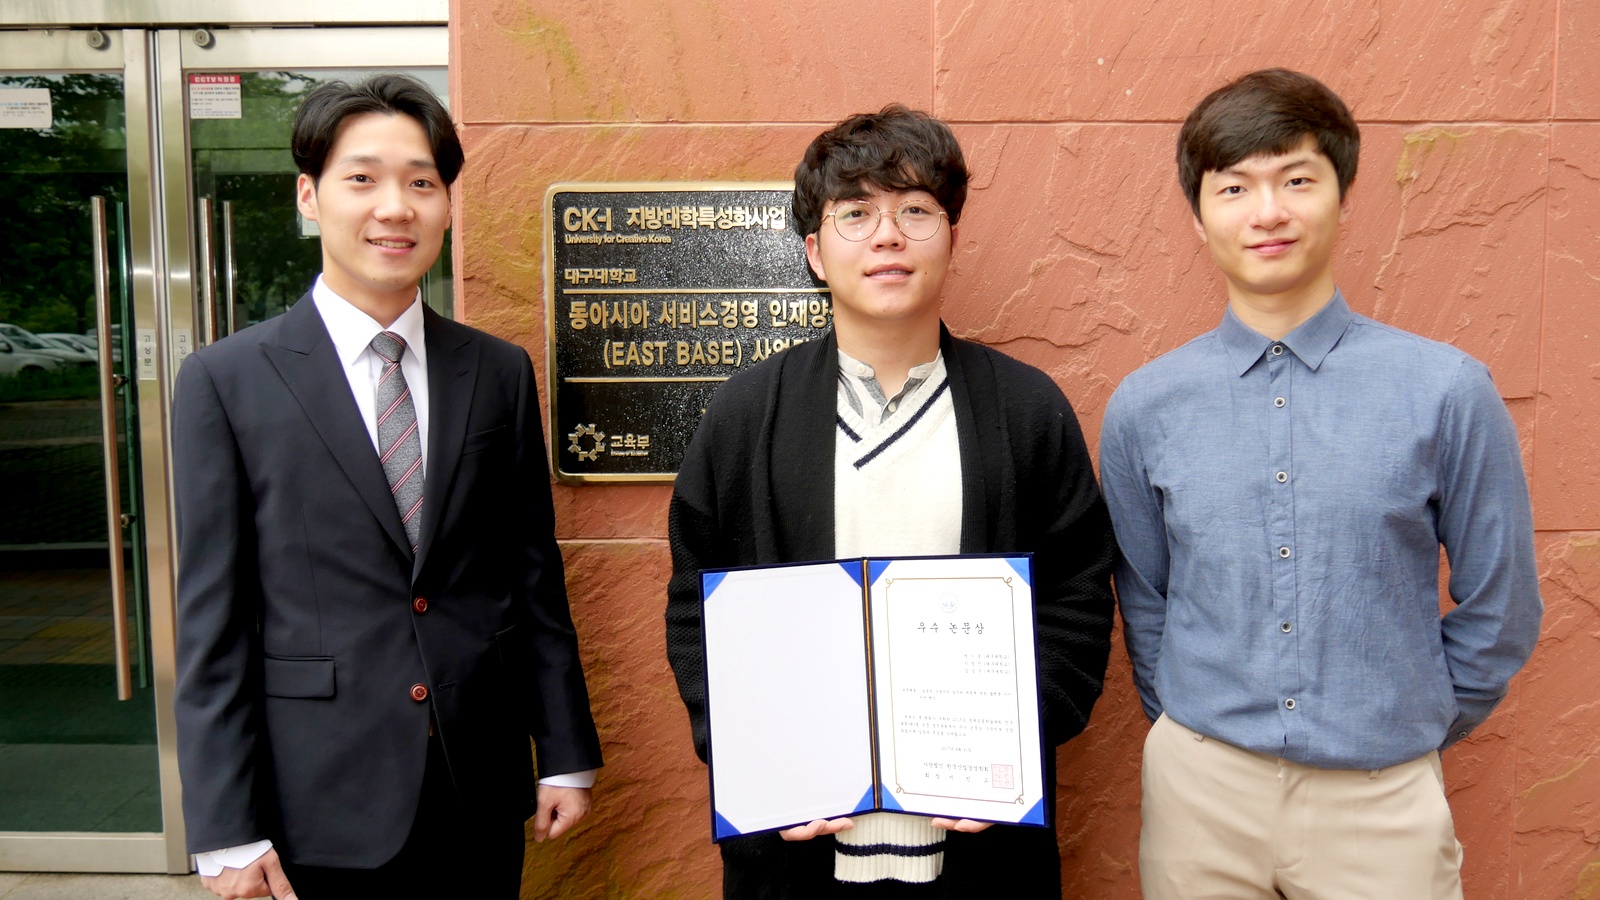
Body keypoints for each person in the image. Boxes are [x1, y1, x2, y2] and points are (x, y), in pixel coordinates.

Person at [1099, 68, 1542, 899]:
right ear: (1199, 216)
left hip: (1382, 799)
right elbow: (1146, 599)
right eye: (1235, 188)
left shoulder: (1446, 390)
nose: (1267, 212)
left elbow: (1502, 604)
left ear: (1343, 195)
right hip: (1201, 795)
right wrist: (1189, 735)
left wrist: (1407, 724)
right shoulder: (1145, 406)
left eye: (1297, 180)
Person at [664, 104, 1117, 898]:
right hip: (801, 850)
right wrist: (757, 758)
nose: (887, 237)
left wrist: (1011, 745)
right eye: (856, 214)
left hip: (980, 851)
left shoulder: (1025, 410)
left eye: (915, 212)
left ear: (952, 238)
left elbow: (1076, 595)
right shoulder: (746, 415)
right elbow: (697, 609)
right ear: (814, 251)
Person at [172, 74, 603, 900]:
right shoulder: (226, 381)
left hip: (477, 786)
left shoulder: (497, 372)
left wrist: (565, 751)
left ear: (446, 204)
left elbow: (531, 577)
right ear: (309, 196)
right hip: (318, 797)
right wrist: (225, 825)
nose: (395, 208)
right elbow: (211, 623)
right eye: (362, 179)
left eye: (421, 183)